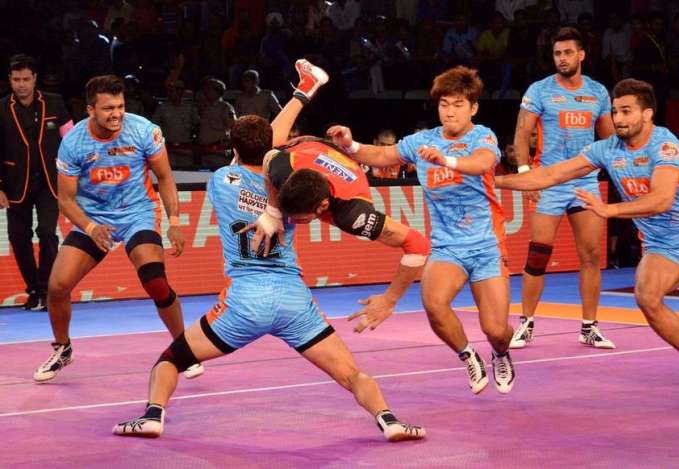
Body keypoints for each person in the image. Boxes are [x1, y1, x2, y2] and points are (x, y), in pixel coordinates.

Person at [112, 114, 425, 442]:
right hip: (293, 301)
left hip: (245, 303)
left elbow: (266, 155)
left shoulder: (221, 179)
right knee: (351, 374)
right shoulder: (293, 189)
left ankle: (152, 416)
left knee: (170, 360)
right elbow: (277, 160)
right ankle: (390, 421)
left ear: (233, 149)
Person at [496, 78, 679, 401]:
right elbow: (551, 174)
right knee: (647, 296)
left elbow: (661, 199)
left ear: (648, 114)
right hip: (662, 246)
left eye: (627, 111)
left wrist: (608, 209)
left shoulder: (665, 145)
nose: (619, 118)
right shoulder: (606, 149)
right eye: (615, 112)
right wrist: (495, 181)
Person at [326, 65, 517, 395]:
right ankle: (468, 355)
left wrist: (447, 161)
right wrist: (351, 146)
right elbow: (383, 155)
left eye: (458, 104)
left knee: (496, 329)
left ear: (473, 108)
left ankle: (501, 352)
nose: (450, 111)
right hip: (447, 248)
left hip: (486, 245)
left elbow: (483, 163)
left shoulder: (482, 136)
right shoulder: (422, 141)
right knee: (435, 305)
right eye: (444, 104)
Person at [33, 75, 203, 383]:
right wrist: (89, 226)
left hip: (137, 212)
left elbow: (164, 178)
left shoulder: (143, 131)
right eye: (108, 108)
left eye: (120, 106)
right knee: (57, 286)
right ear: (90, 110)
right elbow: (66, 200)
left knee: (154, 279)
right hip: (93, 216)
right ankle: (63, 348)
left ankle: (184, 349)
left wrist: (174, 222)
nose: (116, 114)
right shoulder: (72, 143)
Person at [250, 60, 431, 336]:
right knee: (263, 146)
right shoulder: (280, 168)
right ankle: (307, 87)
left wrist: (389, 300)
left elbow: (417, 244)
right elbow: (267, 158)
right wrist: (272, 211)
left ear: (322, 208)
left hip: (347, 174)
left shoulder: (353, 215)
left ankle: (308, 86)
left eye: (300, 219)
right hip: (309, 148)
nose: (294, 221)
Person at [510, 27, 616, 350]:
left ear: (581, 55)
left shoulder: (598, 93)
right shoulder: (539, 91)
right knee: (538, 255)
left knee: (592, 254)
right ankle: (525, 324)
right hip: (549, 182)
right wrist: (527, 174)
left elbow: (609, 139)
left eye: (568, 53)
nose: (562, 59)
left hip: (584, 182)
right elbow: (521, 133)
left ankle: (589, 326)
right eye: (557, 54)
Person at [0, 54, 73, 311]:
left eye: (26, 79)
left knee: (46, 232)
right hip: (14, 184)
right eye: (16, 79)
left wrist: (74, 177)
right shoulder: (1, 108)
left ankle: (46, 290)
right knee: (18, 237)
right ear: (10, 79)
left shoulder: (54, 103)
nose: (21, 84)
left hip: (50, 182)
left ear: (35, 79)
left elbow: (71, 140)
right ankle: (33, 289)